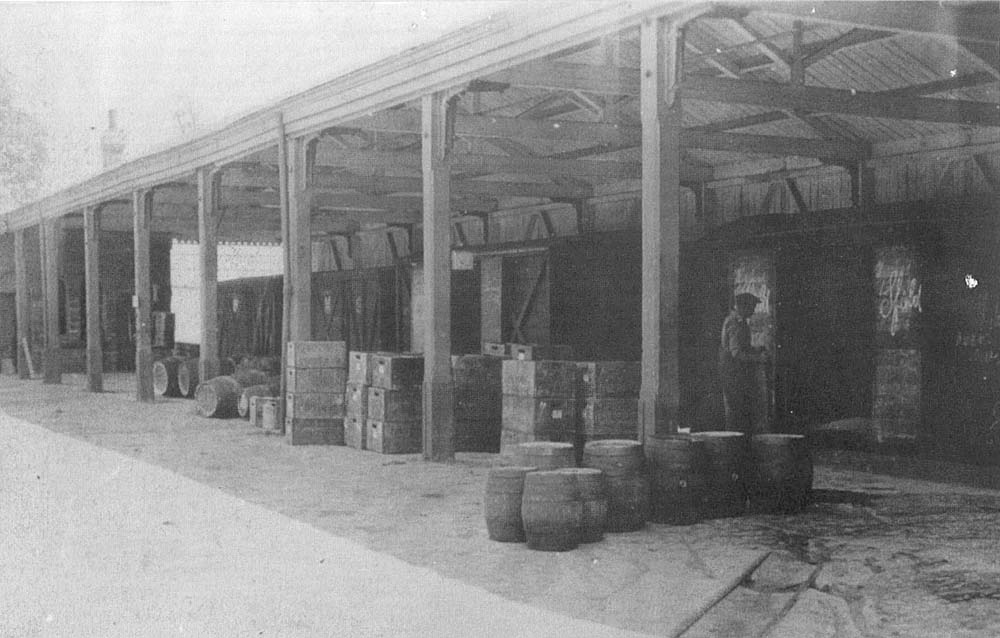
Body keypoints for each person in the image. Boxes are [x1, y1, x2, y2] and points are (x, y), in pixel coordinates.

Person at [719, 292, 768, 435]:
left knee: (739, 410)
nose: (753, 310)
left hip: (736, 374)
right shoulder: (734, 323)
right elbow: (736, 353)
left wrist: (756, 349)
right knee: (735, 412)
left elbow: (741, 347)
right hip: (732, 374)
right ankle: (734, 446)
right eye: (751, 306)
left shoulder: (739, 321)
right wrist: (759, 358)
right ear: (742, 306)